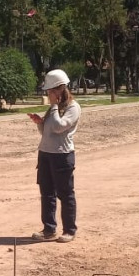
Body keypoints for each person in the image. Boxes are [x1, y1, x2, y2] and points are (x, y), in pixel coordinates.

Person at [28, 69, 81, 243]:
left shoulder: (73, 107)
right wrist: (40, 123)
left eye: (52, 90)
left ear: (61, 88)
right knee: (47, 193)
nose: (49, 94)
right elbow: (47, 132)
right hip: (46, 154)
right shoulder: (53, 109)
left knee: (65, 193)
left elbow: (60, 127)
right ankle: (49, 229)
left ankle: (69, 230)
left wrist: (54, 107)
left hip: (62, 155)